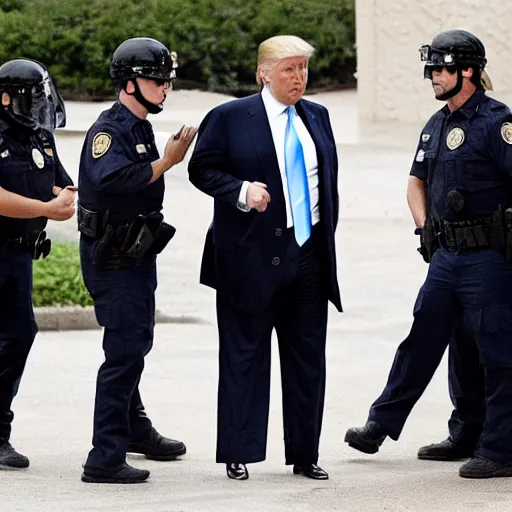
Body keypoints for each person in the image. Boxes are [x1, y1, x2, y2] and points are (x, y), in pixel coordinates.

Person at [344, 29, 512, 479]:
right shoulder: (436, 124)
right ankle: (390, 426)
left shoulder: (499, 124)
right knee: (425, 341)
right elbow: (415, 181)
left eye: (441, 68)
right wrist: (423, 227)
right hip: (446, 255)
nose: (433, 76)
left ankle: (499, 448)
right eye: (431, 68)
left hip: (489, 257)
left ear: (468, 71)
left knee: (496, 351)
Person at [188, 35, 342, 481]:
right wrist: (240, 191)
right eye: (289, 69)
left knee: (308, 359)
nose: (299, 78)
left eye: (303, 69)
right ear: (263, 73)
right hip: (249, 257)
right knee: (244, 356)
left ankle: (305, 453)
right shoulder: (230, 118)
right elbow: (202, 169)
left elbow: (324, 184)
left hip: (309, 254)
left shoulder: (318, 116)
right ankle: (239, 450)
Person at [78, 37, 197, 484]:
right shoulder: (110, 130)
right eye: (156, 80)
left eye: (167, 81)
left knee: (135, 344)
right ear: (129, 83)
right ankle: (104, 457)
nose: (165, 89)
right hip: (112, 257)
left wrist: (163, 157)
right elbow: (116, 179)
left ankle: (134, 429)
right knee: (123, 353)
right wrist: (167, 161)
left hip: (134, 253)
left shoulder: (139, 125)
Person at [0, 58, 76, 469]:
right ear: (5, 97)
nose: (37, 109)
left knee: (18, 336)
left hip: (18, 253)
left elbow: (58, 178)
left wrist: (63, 196)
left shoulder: (40, 137)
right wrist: (45, 206)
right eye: (30, 101)